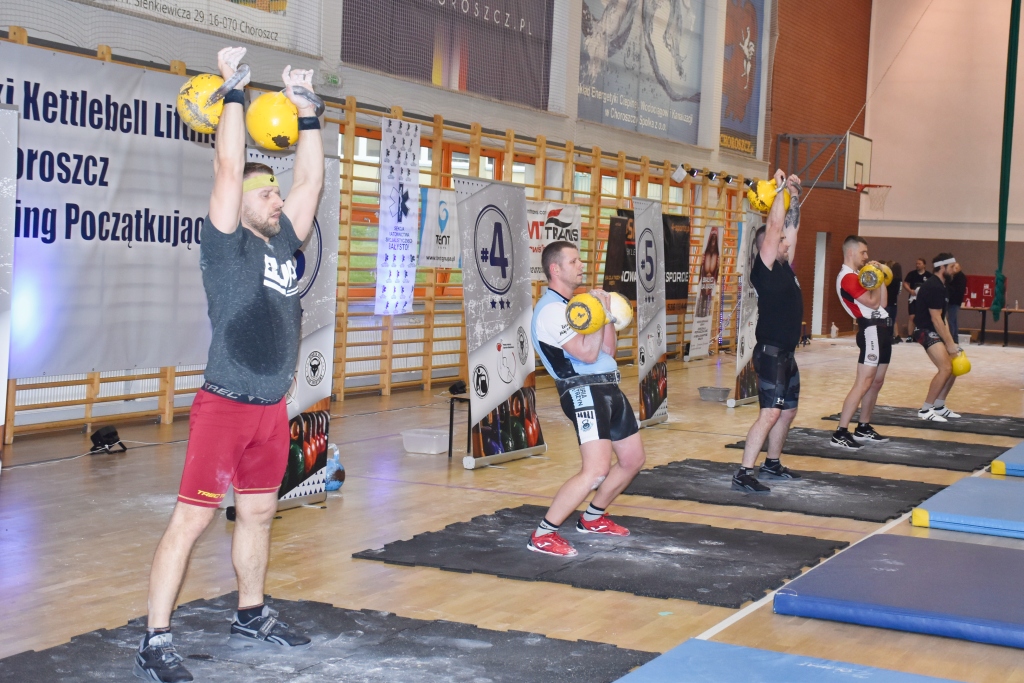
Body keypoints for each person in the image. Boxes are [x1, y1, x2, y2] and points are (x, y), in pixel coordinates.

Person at [136, 47, 324, 683]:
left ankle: (250, 612)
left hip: (270, 409)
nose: (278, 199)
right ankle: (155, 640)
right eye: (266, 192)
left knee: (260, 513)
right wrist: (236, 92)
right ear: (241, 202)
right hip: (225, 406)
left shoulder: (283, 243)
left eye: (276, 192)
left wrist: (308, 114)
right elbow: (227, 164)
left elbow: (311, 184)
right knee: (191, 520)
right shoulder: (225, 243)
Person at [529, 241, 646, 556]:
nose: (581, 265)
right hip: (583, 390)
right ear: (555, 269)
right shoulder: (552, 311)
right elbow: (586, 353)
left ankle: (592, 517)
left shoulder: (574, 306)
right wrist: (598, 313)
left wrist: (605, 316)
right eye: (574, 261)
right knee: (595, 470)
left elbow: (606, 351)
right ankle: (543, 534)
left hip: (608, 388)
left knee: (633, 460)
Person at [732, 170, 804, 494]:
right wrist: (778, 190)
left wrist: (794, 194)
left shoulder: (785, 267)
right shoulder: (764, 269)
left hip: (787, 354)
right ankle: (743, 473)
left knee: (787, 412)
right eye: (781, 241)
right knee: (770, 412)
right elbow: (775, 226)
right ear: (769, 247)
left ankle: (772, 463)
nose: (787, 242)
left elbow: (790, 227)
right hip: (771, 353)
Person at [830, 237, 891, 449]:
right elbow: (872, 303)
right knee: (863, 382)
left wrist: (879, 276)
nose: (866, 256)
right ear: (851, 252)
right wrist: (876, 276)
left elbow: (883, 302)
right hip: (871, 330)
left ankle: (863, 427)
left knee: (876, 382)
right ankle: (840, 432)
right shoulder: (847, 278)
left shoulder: (859, 275)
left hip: (882, 329)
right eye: (863, 252)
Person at [912, 254, 961, 422]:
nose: (954, 270)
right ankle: (926, 409)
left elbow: (943, 318)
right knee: (946, 368)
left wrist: (951, 342)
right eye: (951, 267)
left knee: (954, 366)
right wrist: (949, 343)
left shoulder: (943, 286)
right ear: (942, 267)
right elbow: (935, 319)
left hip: (934, 329)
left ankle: (939, 406)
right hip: (924, 330)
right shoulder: (934, 286)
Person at [903, 258, 932, 342]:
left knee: (922, 317)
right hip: (913, 298)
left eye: (919, 264)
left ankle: (920, 335)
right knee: (912, 316)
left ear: (924, 265)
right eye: (916, 264)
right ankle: (909, 335)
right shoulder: (912, 274)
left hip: (924, 299)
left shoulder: (929, 275)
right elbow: (905, 283)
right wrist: (910, 291)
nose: (917, 265)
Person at [947, 261, 967, 341]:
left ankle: (952, 338)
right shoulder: (955, 277)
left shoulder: (960, 277)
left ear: (959, 268)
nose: (953, 269)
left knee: (951, 320)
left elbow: (957, 290)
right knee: (953, 320)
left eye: (955, 268)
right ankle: (954, 338)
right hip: (954, 301)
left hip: (954, 301)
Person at [885, 260, 903, 342]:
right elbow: (898, 292)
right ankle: (891, 336)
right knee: (892, 320)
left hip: (887, 302)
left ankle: (888, 337)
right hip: (894, 302)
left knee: (887, 320)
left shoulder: (890, 279)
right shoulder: (899, 280)